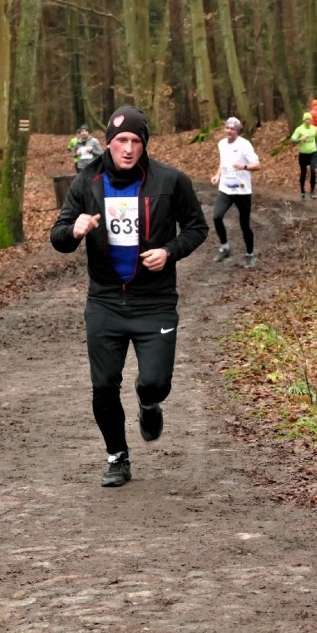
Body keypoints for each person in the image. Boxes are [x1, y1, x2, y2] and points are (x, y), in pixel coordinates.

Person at [50, 105, 208, 487]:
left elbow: (197, 228)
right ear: (108, 142)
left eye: (136, 141)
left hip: (154, 303)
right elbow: (58, 237)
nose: (128, 148)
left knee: (154, 382)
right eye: (121, 140)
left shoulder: (171, 181)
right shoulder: (86, 182)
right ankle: (117, 456)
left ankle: (149, 403)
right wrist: (75, 229)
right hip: (105, 301)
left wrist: (169, 251)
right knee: (104, 386)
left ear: (144, 145)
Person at [210, 116, 261, 268]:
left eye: (233, 129)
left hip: (242, 190)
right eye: (227, 128)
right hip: (226, 189)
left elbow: (257, 165)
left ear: (238, 130)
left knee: (244, 225)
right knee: (216, 217)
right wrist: (217, 175)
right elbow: (223, 162)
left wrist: (244, 167)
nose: (229, 131)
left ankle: (250, 255)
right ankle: (225, 247)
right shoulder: (221, 144)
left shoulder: (245, 145)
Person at [290, 112, 317, 201]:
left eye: (310, 119)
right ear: (303, 120)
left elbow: (316, 137)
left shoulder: (314, 128)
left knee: (313, 170)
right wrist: (300, 139)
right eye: (307, 119)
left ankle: (312, 191)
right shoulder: (299, 129)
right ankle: (303, 192)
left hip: (313, 153)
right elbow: (292, 140)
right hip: (303, 154)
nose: (308, 121)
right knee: (303, 172)